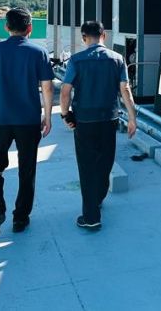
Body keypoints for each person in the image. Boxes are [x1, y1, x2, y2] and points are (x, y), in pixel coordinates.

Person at [0, 8, 54, 238]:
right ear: (30, 28)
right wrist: (48, 117)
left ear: (6, 27)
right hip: (28, 121)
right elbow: (48, 87)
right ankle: (20, 218)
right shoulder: (39, 52)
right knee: (27, 169)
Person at [60, 20, 137, 230]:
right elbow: (125, 90)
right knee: (105, 162)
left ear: (84, 38)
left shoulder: (76, 60)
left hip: (84, 120)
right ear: (104, 36)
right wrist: (132, 118)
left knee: (87, 167)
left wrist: (65, 115)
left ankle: (91, 216)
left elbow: (65, 91)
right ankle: (98, 198)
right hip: (109, 119)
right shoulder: (117, 59)